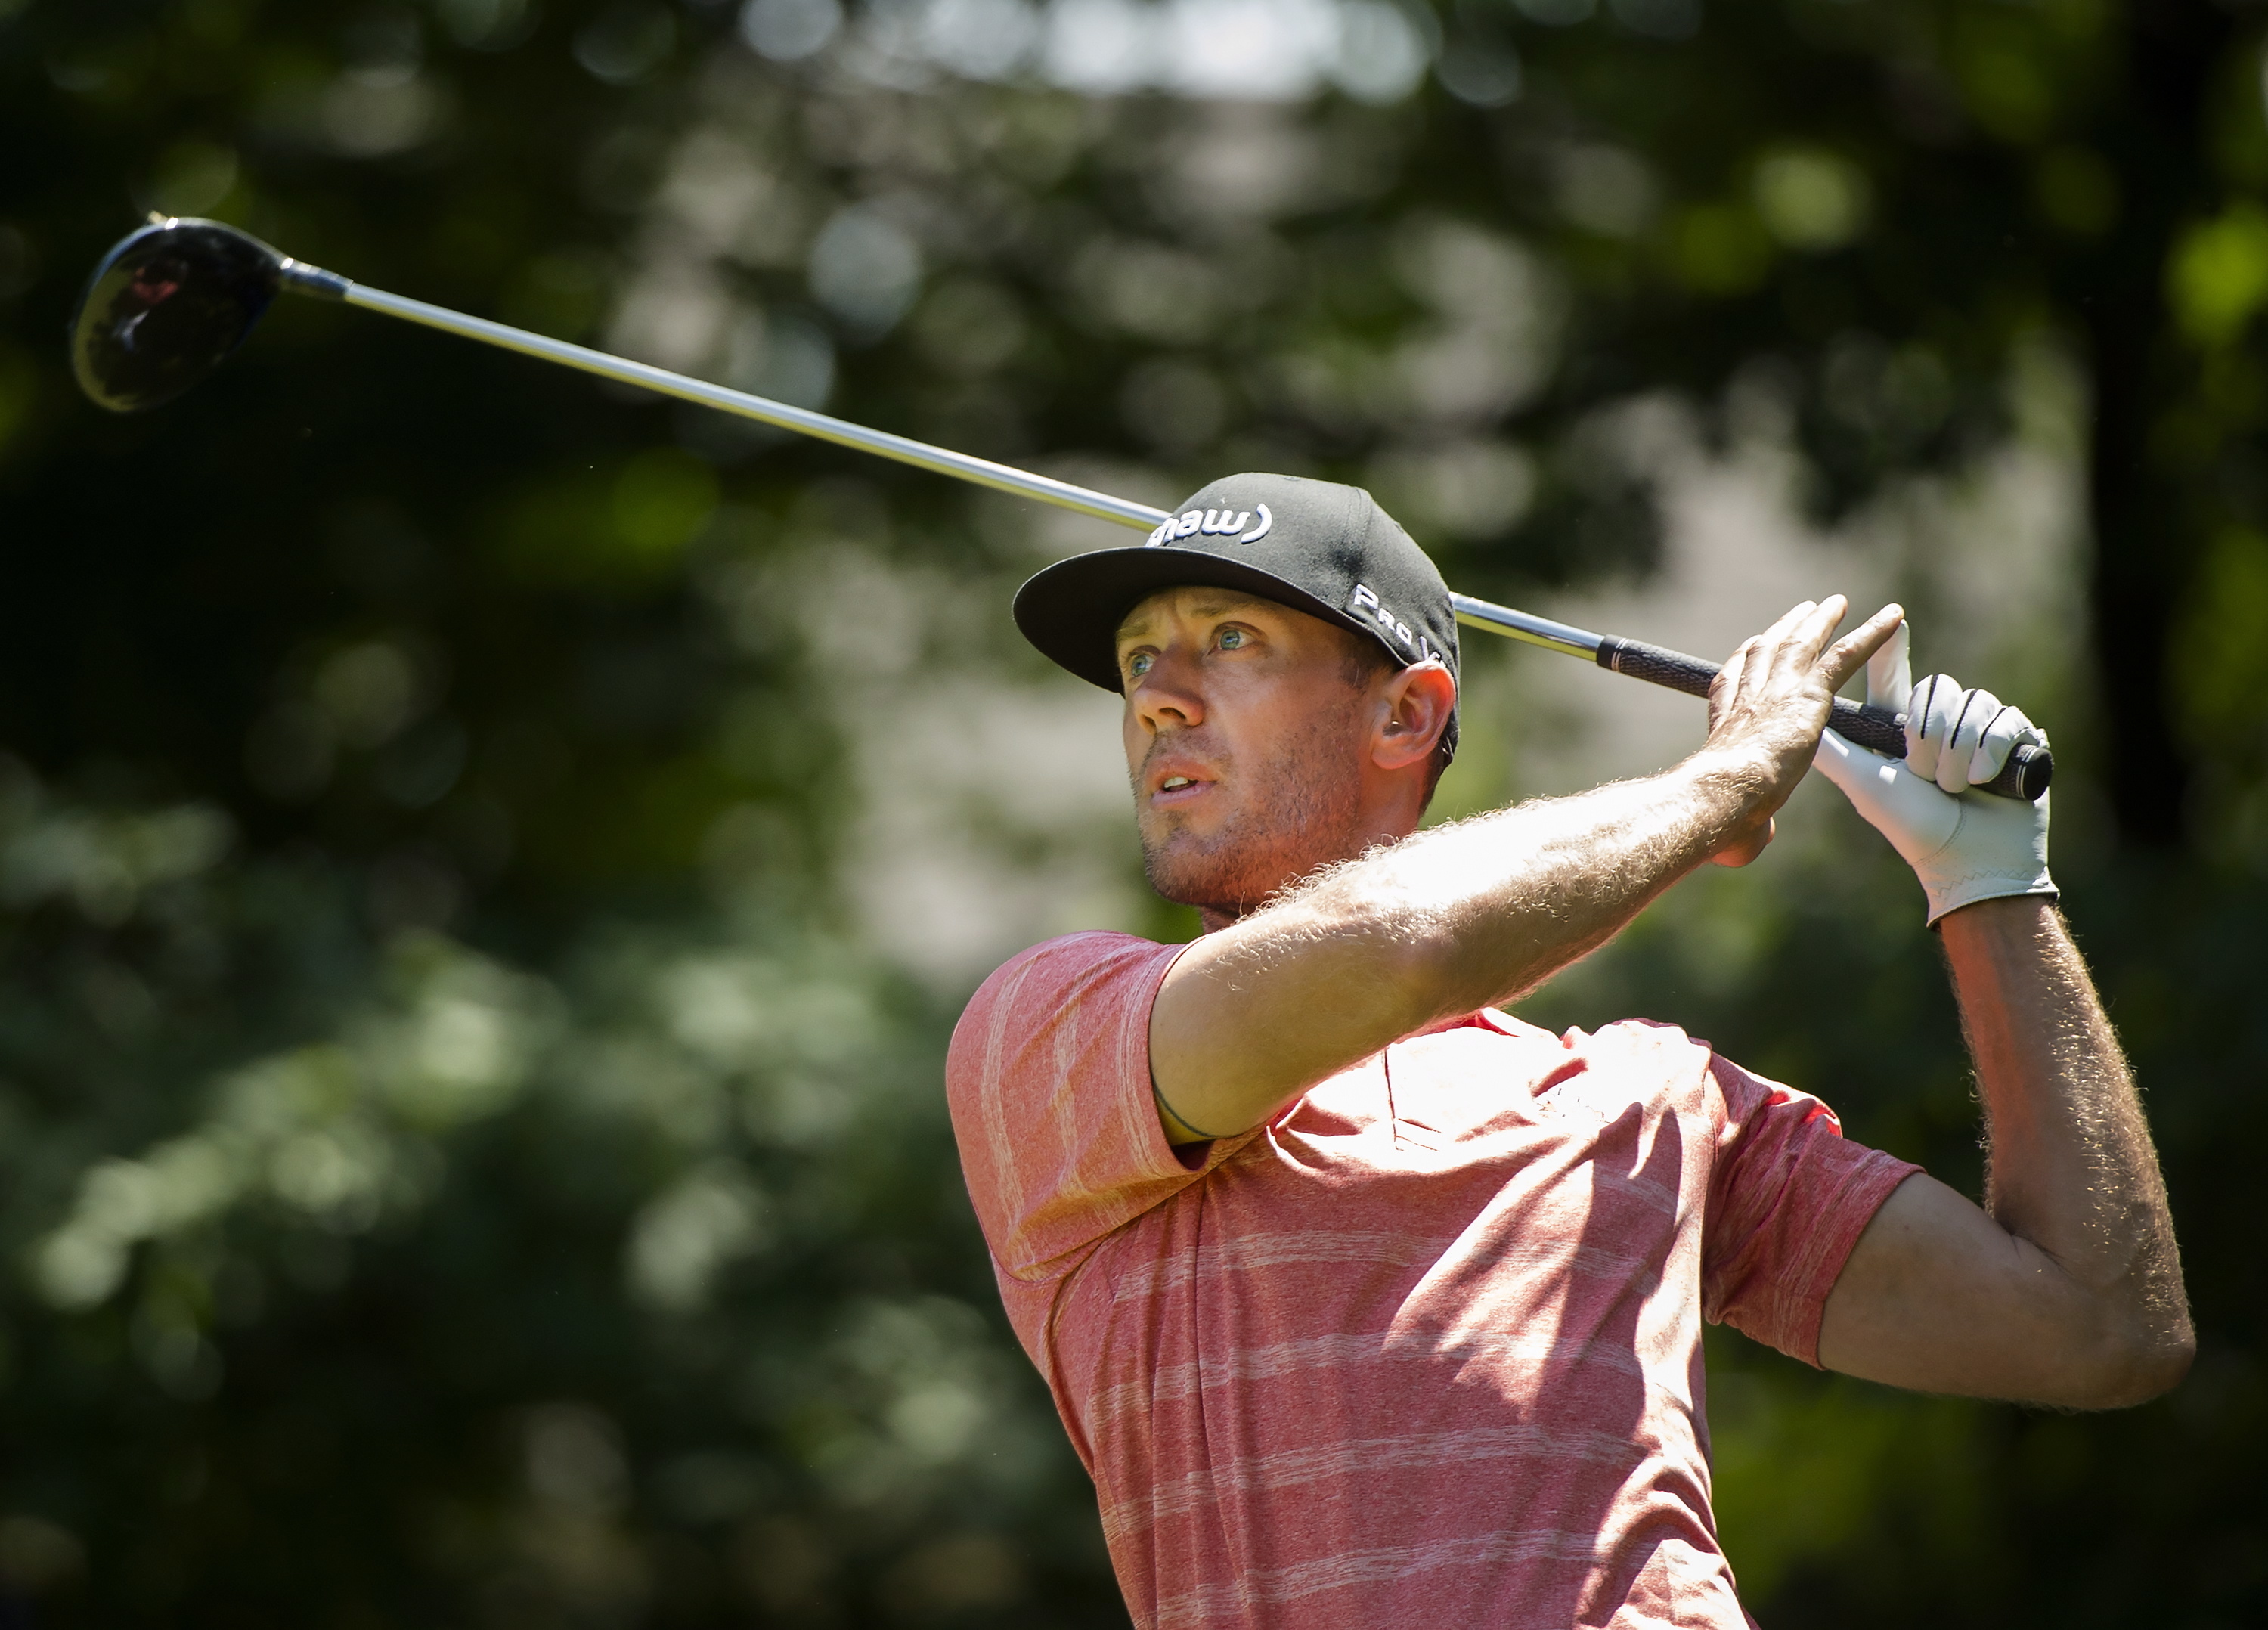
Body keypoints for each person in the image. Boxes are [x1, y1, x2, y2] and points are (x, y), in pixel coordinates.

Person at [945, 473, 2192, 1630]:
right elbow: (1406, 945)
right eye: (1137, 659)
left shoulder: (1653, 1099)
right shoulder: (1054, 1030)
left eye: (1228, 640)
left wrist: (1987, 882)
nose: (1158, 693)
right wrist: (1727, 779)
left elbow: (2100, 1328)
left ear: (1402, 713)